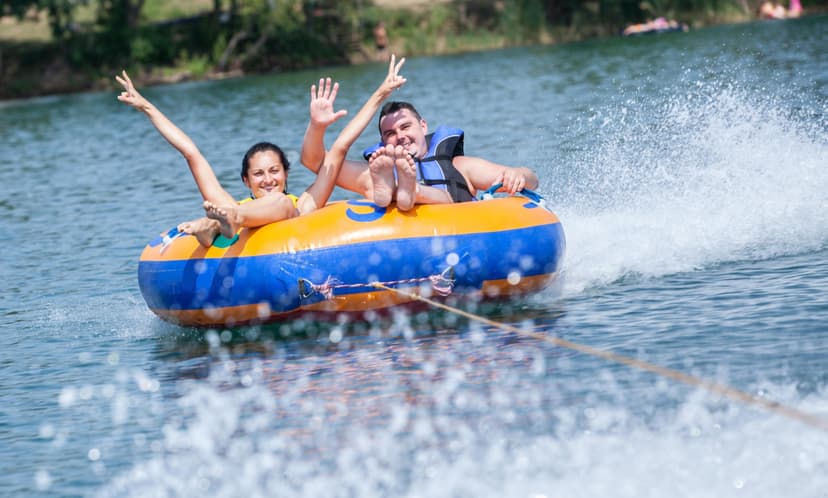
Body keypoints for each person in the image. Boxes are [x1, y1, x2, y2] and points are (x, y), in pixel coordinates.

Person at [116, 55, 407, 246]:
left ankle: (214, 227)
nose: (267, 179)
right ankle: (212, 227)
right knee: (240, 210)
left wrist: (380, 93)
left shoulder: (304, 204)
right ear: (246, 181)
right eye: (258, 174)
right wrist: (146, 106)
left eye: (273, 171)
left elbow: (340, 147)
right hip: (232, 216)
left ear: (285, 173)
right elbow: (191, 153)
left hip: (236, 217)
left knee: (281, 204)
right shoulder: (230, 204)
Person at [300, 92, 538, 211]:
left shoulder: (460, 166)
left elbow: (531, 180)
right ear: (383, 143)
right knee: (376, 181)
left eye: (405, 126)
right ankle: (395, 191)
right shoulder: (376, 169)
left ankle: (409, 190)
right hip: (407, 243)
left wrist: (518, 173)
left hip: (461, 232)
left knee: (437, 197)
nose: (400, 136)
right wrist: (317, 126)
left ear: (423, 126)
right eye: (390, 133)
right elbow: (318, 164)